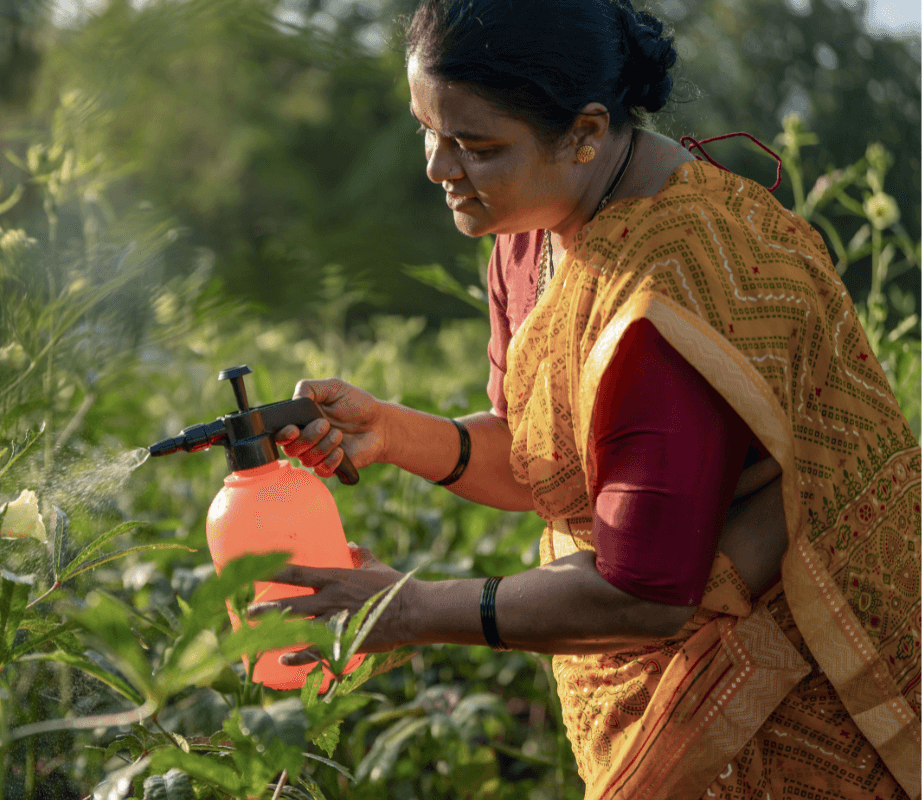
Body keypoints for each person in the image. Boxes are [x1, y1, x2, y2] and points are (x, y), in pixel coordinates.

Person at [252, 0, 922, 797]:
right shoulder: (532, 224)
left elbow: (644, 595)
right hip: (667, 681)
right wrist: (393, 432)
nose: (437, 166)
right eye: (428, 129)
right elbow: (546, 459)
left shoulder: (666, 298)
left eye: (476, 145)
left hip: (781, 703)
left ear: (586, 133)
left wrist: (408, 608)